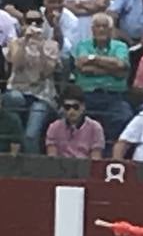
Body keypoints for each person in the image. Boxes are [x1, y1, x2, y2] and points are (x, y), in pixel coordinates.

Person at [3, 10, 59, 154]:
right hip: (18, 90)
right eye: (29, 21)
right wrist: (25, 42)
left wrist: (40, 47)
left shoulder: (52, 45)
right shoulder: (15, 43)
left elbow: (46, 73)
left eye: (38, 22)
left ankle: (33, 168)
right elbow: (16, 64)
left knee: (30, 135)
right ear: (23, 24)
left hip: (42, 95)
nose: (33, 25)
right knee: (13, 99)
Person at [74, 14, 132, 149]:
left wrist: (93, 59)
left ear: (111, 30)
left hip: (114, 96)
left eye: (105, 26)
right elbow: (82, 66)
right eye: (98, 26)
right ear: (92, 29)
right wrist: (112, 70)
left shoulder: (120, 46)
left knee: (124, 116)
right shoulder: (82, 45)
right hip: (87, 95)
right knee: (69, 113)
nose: (101, 30)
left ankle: (109, 153)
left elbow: (120, 65)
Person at [44, 84, 105, 158]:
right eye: (67, 107)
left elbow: (95, 161)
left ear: (83, 107)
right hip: (60, 167)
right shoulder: (54, 128)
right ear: (63, 108)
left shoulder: (95, 128)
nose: (71, 111)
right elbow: (52, 158)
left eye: (75, 107)